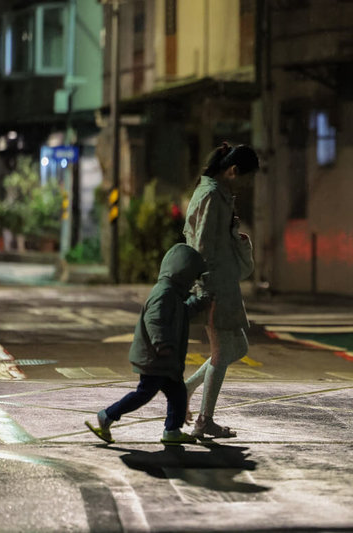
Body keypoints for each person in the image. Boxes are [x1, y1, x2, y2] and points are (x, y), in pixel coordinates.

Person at [85, 243, 209, 445]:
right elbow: (155, 321)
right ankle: (107, 415)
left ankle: (172, 431)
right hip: (156, 358)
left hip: (164, 361)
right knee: (144, 394)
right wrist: (162, 344)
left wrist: (199, 302)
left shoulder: (173, 294)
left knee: (177, 394)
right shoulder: (164, 293)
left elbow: (183, 314)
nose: (192, 282)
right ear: (183, 273)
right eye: (192, 276)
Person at [183, 142, 259, 438]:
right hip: (214, 285)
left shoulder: (218, 193)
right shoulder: (213, 196)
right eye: (246, 177)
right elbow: (202, 246)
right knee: (220, 352)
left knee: (237, 348)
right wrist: (207, 288)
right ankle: (203, 421)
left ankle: (187, 389)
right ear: (233, 171)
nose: (248, 184)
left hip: (224, 283)